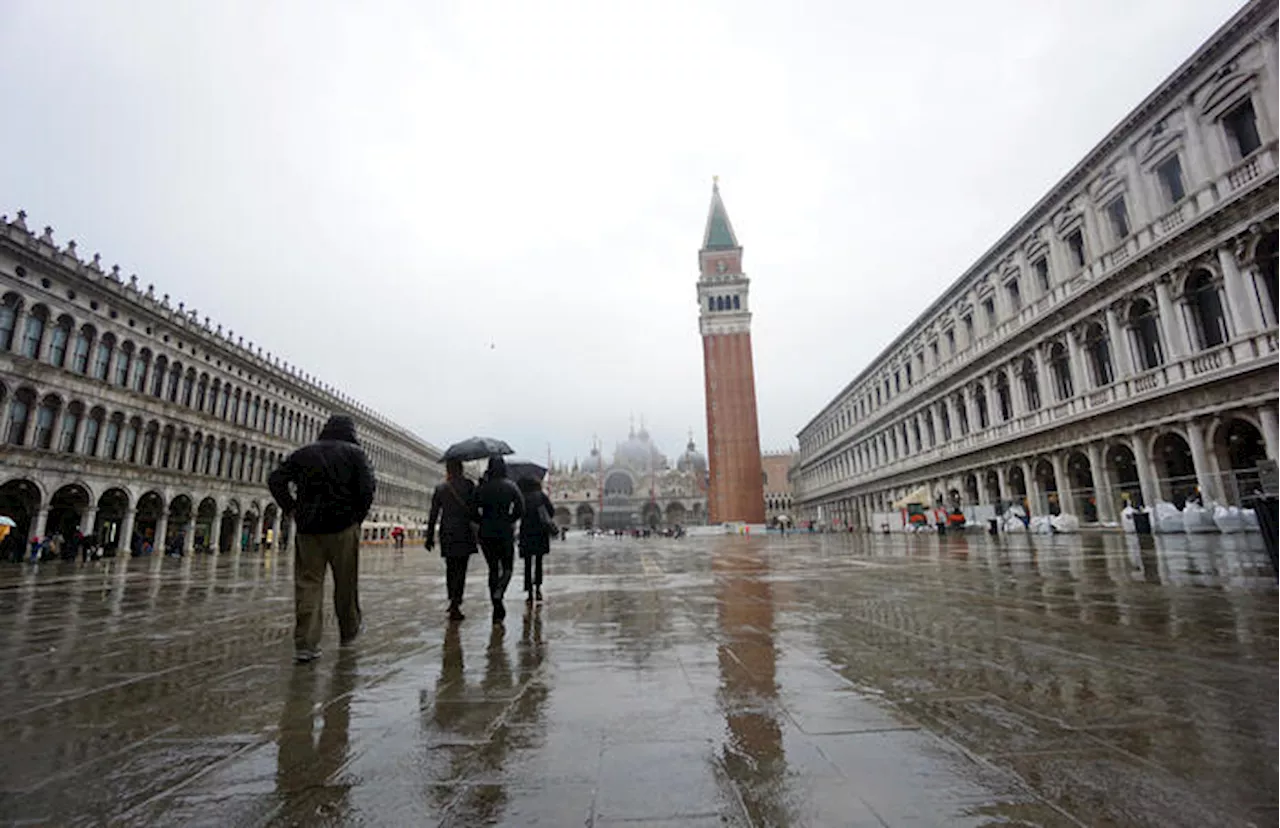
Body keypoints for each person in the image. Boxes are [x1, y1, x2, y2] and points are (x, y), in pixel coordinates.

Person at [268, 414, 376, 664]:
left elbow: (275, 479)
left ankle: (306, 644)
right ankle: (348, 632)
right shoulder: (355, 454)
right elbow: (368, 489)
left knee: (308, 585)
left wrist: (292, 508)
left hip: (309, 529)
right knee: (346, 583)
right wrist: (356, 518)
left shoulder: (303, 453)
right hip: (343, 528)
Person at [426, 459, 479, 622]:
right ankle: (457, 601)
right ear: (462, 469)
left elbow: (433, 514)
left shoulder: (441, 488)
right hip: (464, 531)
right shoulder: (469, 486)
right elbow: (475, 508)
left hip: (447, 532)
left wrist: (429, 537)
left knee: (450, 568)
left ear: (448, 470)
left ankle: (452, 600)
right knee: (461, 569)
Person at [474, 456, 524, 624]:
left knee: (493, 569)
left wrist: (483, 520)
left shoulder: (482, 487)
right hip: (504, 531)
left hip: (486, 532)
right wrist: (509, 519)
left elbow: (472, 509)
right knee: (508, 567)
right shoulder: (511, 486)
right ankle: (500, 591)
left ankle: (496, 606)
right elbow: (520, 508)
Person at [516, 476, 555, 604]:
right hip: (540, 532)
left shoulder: (522, 497)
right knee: (539, 562)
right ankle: (538, 588)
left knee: (527, 563)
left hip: (526, 532)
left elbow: (517, 513)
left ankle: (529, 591)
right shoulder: (541, 496)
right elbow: (551, 511)